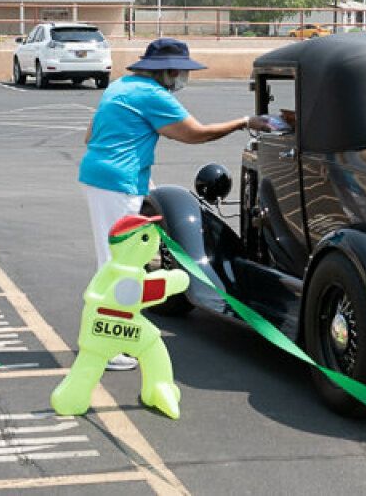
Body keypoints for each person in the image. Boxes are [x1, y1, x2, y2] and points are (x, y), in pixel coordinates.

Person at [79, 38, 271, 370]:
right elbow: (195, 134)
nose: (183, 78)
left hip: (104, 176)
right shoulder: (152, 95)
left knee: (122, 259)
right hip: (118, 182)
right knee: (119, 265)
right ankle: (108, 345)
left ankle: (117, 334)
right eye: (181, 72)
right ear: (165, 71)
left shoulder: (122, 86)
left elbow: (89, 134)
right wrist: (245, 122)